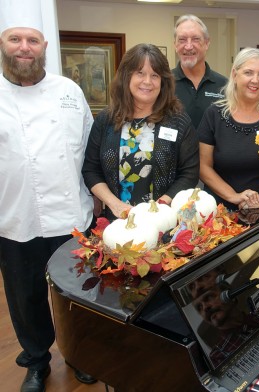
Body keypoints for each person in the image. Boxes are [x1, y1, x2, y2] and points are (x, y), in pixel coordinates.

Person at [0, 1, 97, 390]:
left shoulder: (69, 90)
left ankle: (83, 354)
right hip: (14, 217)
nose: (24, 47)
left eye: (32, 40)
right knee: (26, 300)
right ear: (3, 44)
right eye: (15, 39)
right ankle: (37, 361)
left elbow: (92, 150)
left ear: (44, 47)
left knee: (80, 294)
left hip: (72, 215)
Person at [82, 43, 199, 220]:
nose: (147, 81)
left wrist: (159, 207)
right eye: (140, 73)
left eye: (155, 75)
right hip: (118, 221)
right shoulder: (106, 120)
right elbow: (91, 170)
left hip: (164, 221)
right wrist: (115, 205)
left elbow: (189, 173)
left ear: (163, 81)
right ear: (126, 76)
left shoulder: (178, 121)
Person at [198, 47, 259, 211]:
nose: (255, 80)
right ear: (234, 75)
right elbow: (203, 166)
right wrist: (234, 196)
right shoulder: (214, 115)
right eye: (248, 73)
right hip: (221, 211)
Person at [173, 14, 228, 129]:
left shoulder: (225, 85)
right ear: (175, 45)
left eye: (195, 39)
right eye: (182, 40)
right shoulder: (163, 83)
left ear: (207, 43)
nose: (188, 46)